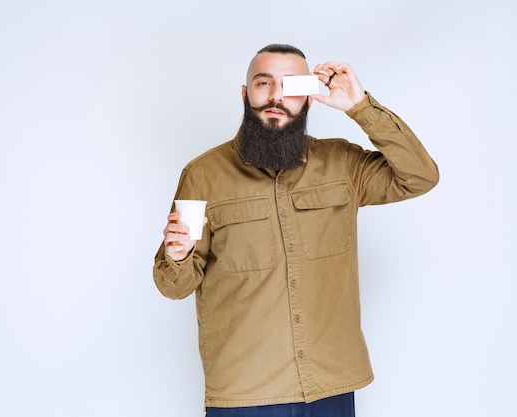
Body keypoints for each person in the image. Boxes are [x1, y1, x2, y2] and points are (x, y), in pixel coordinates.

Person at [153, 44, 439, 417]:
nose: (275, 96)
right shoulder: (203, 175)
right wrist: (176, 256)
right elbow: (173, 286)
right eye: (263, 83)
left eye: (291, 87)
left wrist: (360, 107)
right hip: (244, 392)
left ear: (308, 99)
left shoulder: (343, 164)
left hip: (330, 387)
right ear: (245, 94)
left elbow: (420, 176)